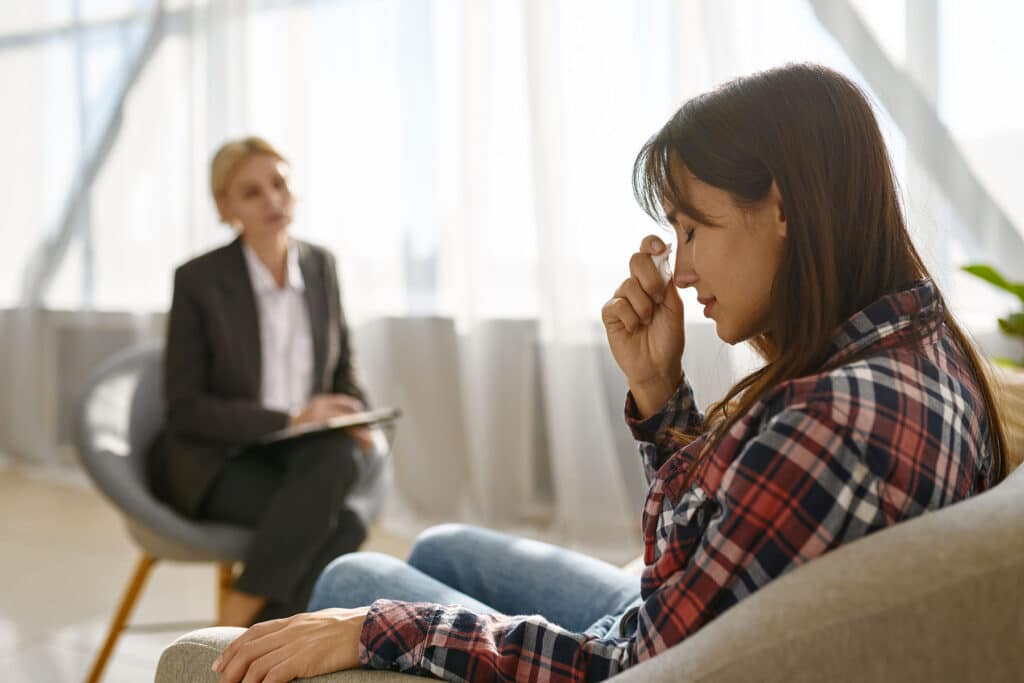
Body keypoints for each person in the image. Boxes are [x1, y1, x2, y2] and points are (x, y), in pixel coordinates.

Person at [209, 64, 1008, 682]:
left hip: (658, 654)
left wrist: (376, 628)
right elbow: (698, 550)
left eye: (693, 228)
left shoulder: (828, 424)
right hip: (701, 627)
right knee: (444, 542)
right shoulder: (916, 339)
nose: (683, 269)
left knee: (357, 577)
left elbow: (631, 665)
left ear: (783, 206)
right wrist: (661, 395)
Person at [147, 136, 383, 627]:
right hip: (217, 460)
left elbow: (343, 370)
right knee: (344, 521)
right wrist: (292, 418)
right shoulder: (198, 280)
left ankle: (239, 645)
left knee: (336, 467)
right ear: (224, 206)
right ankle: (238, 630)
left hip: (301, 458)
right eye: (252, 192)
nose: (273, 200)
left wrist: (358, 414)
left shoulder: (321, 266)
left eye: (279, 184)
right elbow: (185, 408)